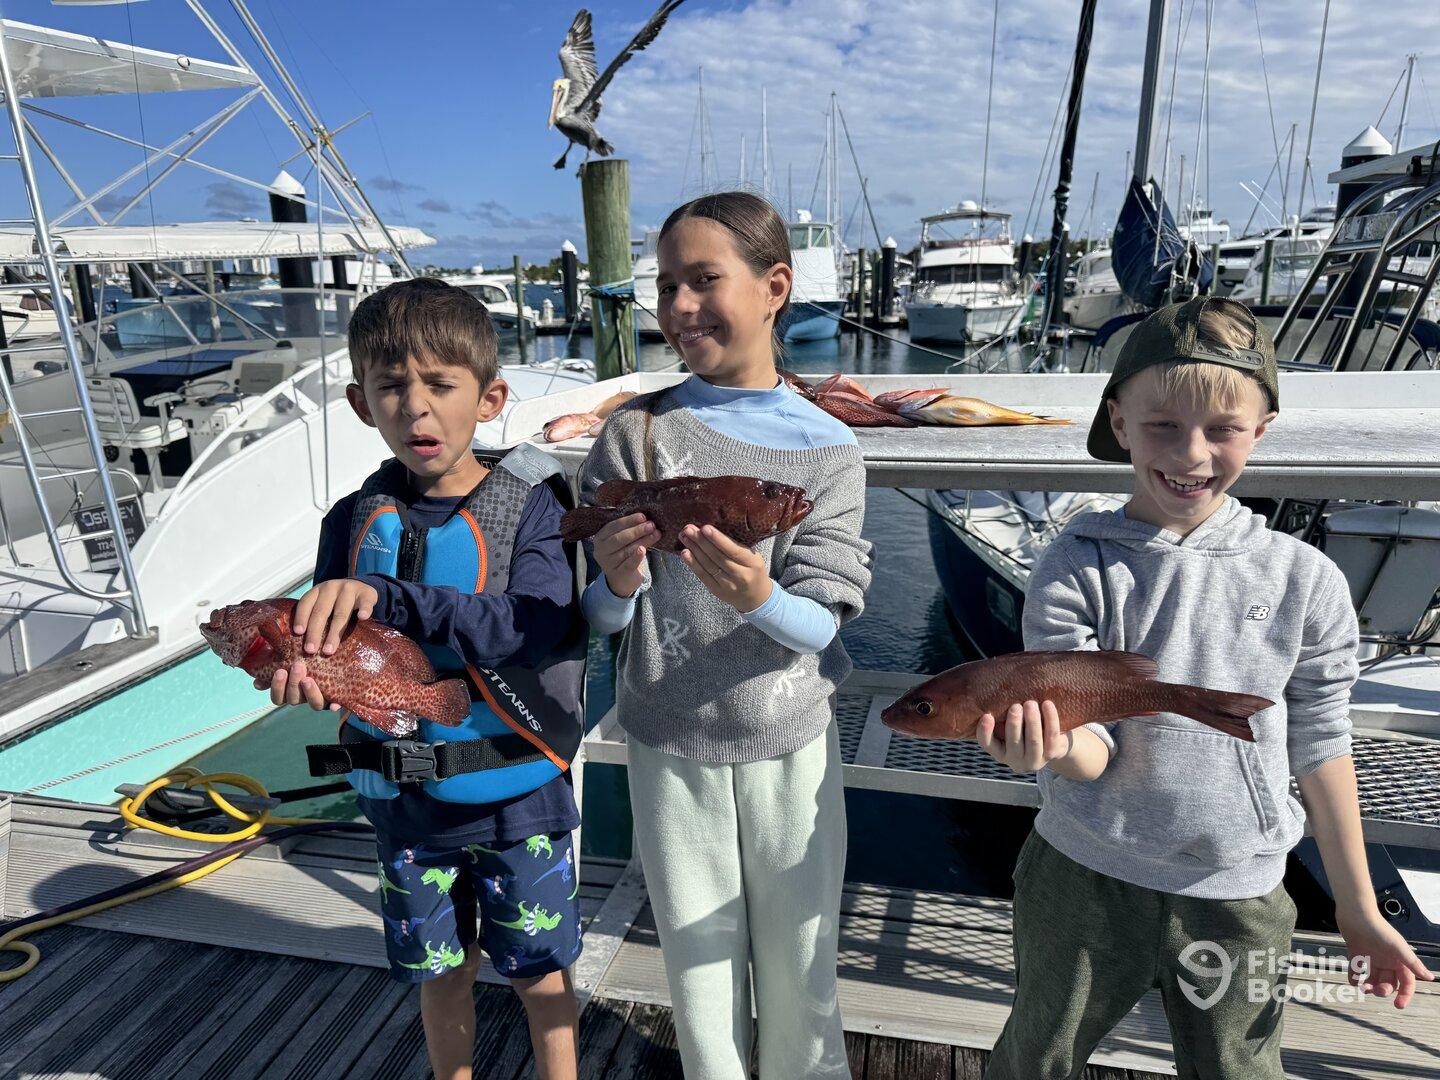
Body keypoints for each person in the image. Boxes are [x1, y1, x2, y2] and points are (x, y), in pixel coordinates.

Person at [980, 296, 1433, 1079]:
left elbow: (1322, 744)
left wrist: (1360, 907)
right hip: (1082, 872)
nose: (1192, 453)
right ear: (1119, 422)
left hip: (1244, 891)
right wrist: (1049, 748)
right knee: (1037, 1056)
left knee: (1240, 1066)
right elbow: (1094, 750)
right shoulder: (1073, 564)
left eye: (1222, 429)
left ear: (1260, 431)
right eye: (1163, 426)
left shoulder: (1307, 580)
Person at [578, 191, 872, 1079]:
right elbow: (600, 619)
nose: (678, 306)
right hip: (667, 738)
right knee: (695, 967)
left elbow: (825, 612)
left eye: (705, 280)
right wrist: (619, 583)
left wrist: (757, 595)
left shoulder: (829, 449)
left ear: (775, 286)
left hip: (791, 742)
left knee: (802, 953)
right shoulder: (634, 432)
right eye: (666, 286)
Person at [270, 278, 586, 1080]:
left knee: (540, 976)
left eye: (441, 385)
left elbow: (537, 627)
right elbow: (327, 647)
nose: (416, 408)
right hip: (400, 803)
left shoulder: (532, 508)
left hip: (518, 796)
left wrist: (393, 597)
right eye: (390, 387)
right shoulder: (350, 520)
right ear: (358, 401)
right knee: (439, 974)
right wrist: (306, 678)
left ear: (489, 398)